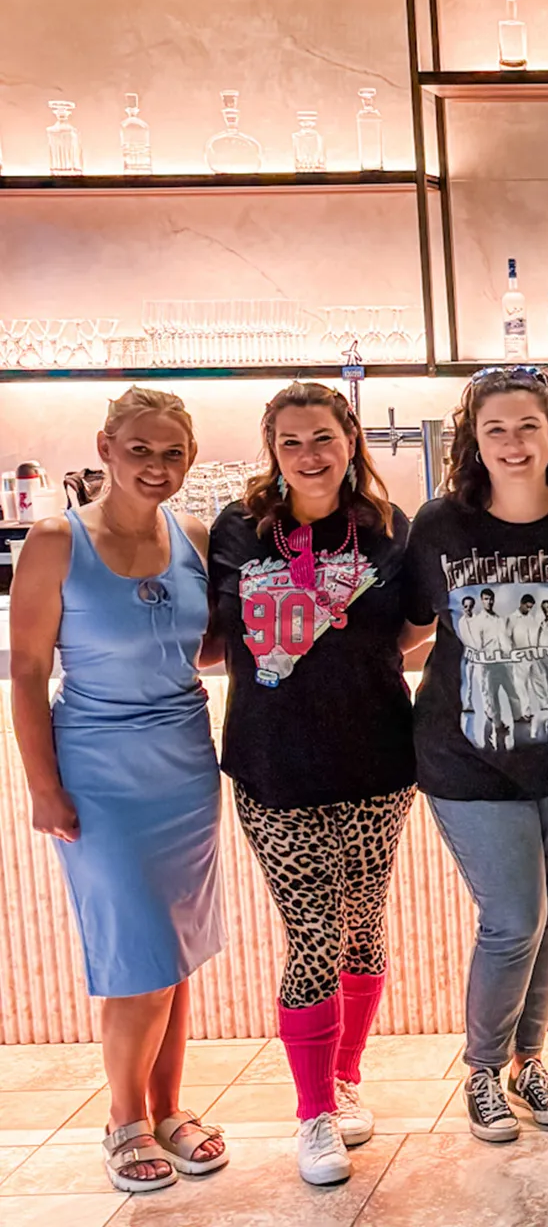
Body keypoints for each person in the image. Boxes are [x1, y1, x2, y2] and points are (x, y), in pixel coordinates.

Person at [9, 387, 229, 1193]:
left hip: (185, 766)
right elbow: (27, 671)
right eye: (140, 450)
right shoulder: (55, 540)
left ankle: (169, 1109)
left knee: (174, 951)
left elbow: (206, 648)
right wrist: (43, 786)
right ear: (105, 447)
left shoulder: (195, 535)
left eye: (173, 454)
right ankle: (123, 1120)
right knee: (136, 952)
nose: (156, 466)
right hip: (99, 769)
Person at [208, 382, 429, 1185]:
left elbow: (414, 628)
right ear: (273, 448)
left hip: (377, 761)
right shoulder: (237, 528)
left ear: (350, 440)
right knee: (313, 935)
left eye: (323, 438)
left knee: (362, 926)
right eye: (292, 441)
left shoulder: (387, 527)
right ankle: (313, 1115)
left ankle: (344, 1076)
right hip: (274, 765)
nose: (309, 455)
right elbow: (212, 636)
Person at [405, 365, 548, 1143]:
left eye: (528, 426)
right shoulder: (440, 526)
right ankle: (482, 1071)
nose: (513, 443)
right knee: (514, 917)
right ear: (474, 441)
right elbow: (411, 625)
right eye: (496, 430)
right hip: (466, 757)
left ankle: (529, 1062)